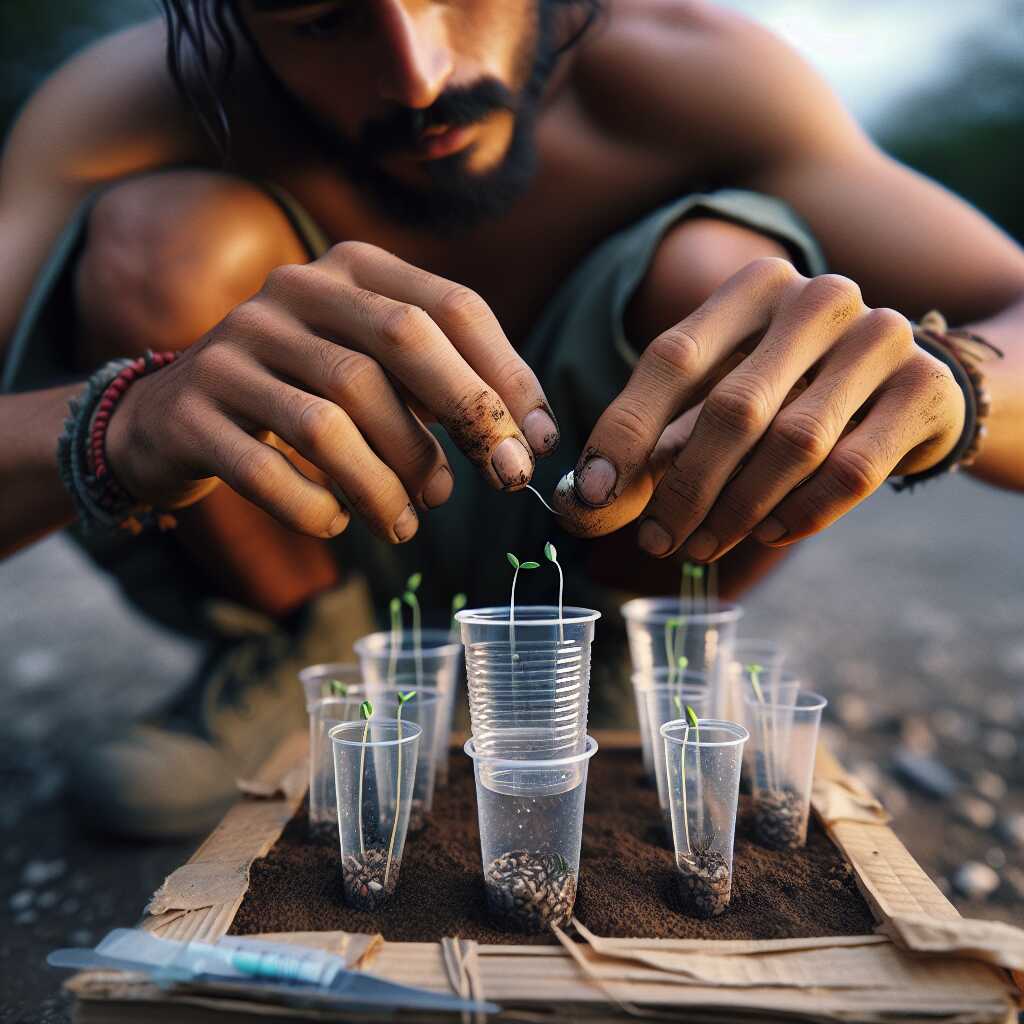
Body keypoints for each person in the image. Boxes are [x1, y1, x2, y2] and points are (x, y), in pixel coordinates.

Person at [1, 0, 1021, 838]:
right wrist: (124, 422)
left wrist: (955, 380)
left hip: (624, 555)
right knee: (160, 243)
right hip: (293, 543)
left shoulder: (700, 78)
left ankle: (619, 661)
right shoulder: (123, 112)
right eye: (321, 21)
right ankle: (300, 651)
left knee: (725, 268)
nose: (420, 76)